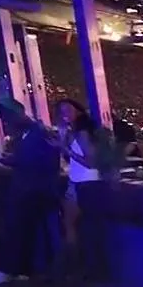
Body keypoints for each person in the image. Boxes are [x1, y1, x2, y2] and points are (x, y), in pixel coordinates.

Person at [0, 97, 63, 285]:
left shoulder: (40, 132)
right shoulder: (26, 134)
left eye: (7, 117)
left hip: (35, 190)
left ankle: (16, 270)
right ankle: (20, 269)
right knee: (21, 231)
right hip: (27, 189)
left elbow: (48, 161)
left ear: (18, 113)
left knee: (20, 230)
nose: (6, 122)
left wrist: (14, 161)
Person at [54, 98, 99, 277]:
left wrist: (66, 149)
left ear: (78, 111)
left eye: (68, 109)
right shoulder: (74, 132)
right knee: (72, 225)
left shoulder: (82, 133)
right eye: (61, 111)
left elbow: (90, 162)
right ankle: (77, 267)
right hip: (78, 182)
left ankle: (74, 267)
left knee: (71, 225)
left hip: (85, 183)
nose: (65, 114)